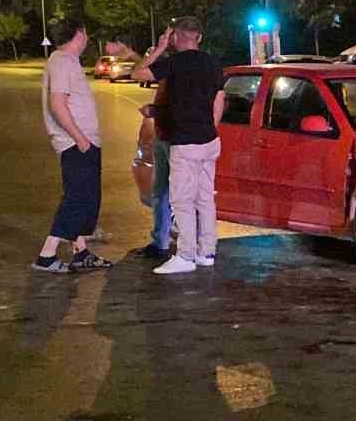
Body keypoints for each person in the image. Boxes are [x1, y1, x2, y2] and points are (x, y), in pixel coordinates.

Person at [126, 18, 226, 274]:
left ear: (175, 37)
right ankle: (207, 252)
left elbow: (137, 73)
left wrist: (159, 48)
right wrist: (210, 128)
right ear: (199, 37)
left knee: (182, 200)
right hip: (209, 140)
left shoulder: (174, 63)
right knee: (205, 198)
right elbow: (219, 100)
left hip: (185, 141)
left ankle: (185, 256)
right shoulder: (213, 63)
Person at [33, 20, 116, 273]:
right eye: (85, 34)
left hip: (80, 141)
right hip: (76, 143)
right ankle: (47, 255)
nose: (87, 38)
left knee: (85, 198)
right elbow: (57, 104)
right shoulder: (62, 62)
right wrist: (80, 139)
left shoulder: (65, 61)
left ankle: (80, 253)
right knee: (77, 198)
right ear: (79, 35)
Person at [131, 83, 174, 261]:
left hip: (178, 138)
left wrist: (154, 111)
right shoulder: (167, 77)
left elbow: (184, 105)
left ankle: (192, 248)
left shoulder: (184, 74)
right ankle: (160, 241)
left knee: (186, 195)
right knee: (160, 191)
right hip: (163, 135)